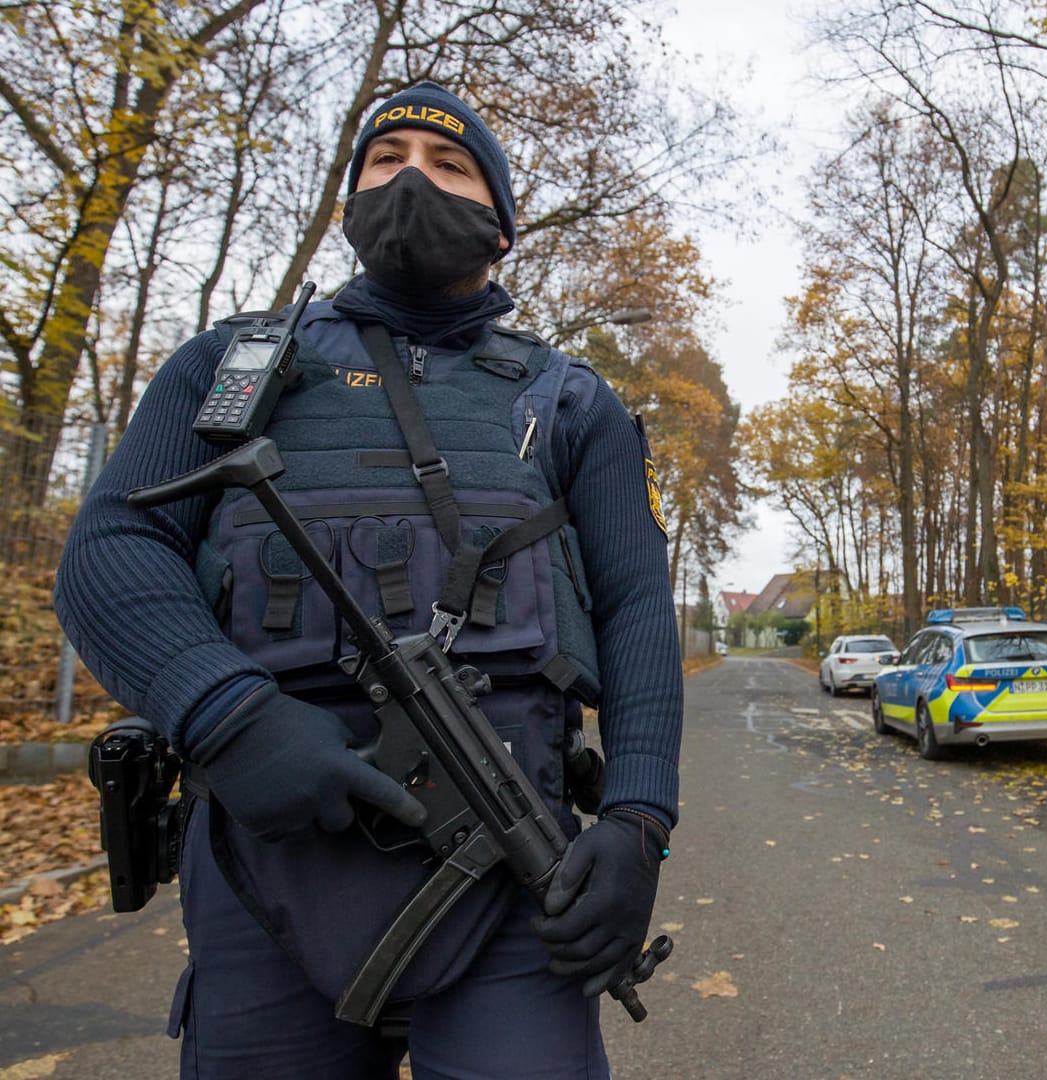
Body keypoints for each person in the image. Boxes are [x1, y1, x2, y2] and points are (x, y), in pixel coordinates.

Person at [55, 81, 683, 1079]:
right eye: (383, 162)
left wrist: (640, 821)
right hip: (268, 857)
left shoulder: (572, 403)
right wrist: (227, 715)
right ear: (350, 208)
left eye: (449, 164)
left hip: (514, 876)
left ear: (503, 228)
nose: (410, 180)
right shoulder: (235, 364)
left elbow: (643, 611)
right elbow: (109, 555)